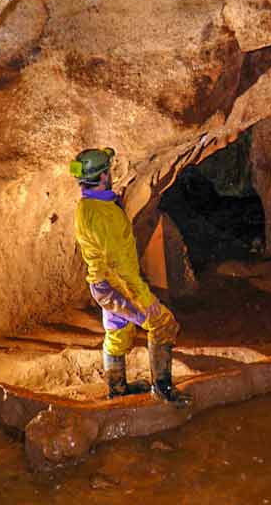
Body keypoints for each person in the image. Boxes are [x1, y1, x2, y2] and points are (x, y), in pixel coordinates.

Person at [70, 147, 191, 406]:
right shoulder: (105, 216)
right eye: (109, 170)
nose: (111, 174)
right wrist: (144, 297)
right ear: (103, 176)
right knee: (163, 323)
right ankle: (163, 389)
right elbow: (120, 265)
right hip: (116, 285)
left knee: (118, 330)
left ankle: (117, 388)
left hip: (101, 283)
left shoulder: (89, 205)